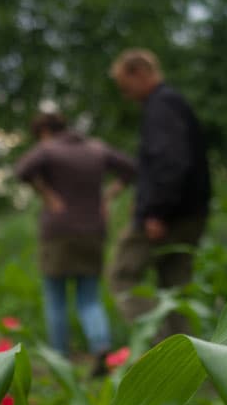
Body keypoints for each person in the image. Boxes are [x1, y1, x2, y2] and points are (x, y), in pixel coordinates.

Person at [15, 111, 137, 376]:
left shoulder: (47, 148)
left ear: (44, 131)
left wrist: (46, 195)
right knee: (89, 297)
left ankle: (60, 359)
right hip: (94, 230)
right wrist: (108, 197)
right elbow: (131, 169)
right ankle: (101, 345)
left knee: (56, 297)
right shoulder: (96, 148)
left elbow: (21, 170)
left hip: (58, 231)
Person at [107, 48, 211, 338]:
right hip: (191, 212)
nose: (126, 95)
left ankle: (159, 351)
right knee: (175, 288)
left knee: (122, 275)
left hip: (169, 215)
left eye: (126, 87)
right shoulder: (174, 104)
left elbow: (171, 161)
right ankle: (187, 361)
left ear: (139, 72)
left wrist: (155, 211)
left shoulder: (161, 106)